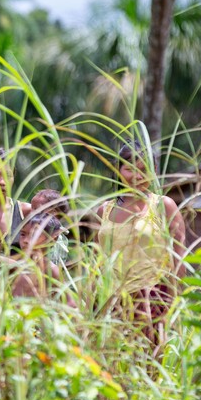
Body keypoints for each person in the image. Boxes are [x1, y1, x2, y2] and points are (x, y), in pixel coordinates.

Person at [96, 139, 186, 356]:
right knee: (114, 365)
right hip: (112, 300)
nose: (137, 176)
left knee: (150, 366)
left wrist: (173, 306)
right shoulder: (103, 211)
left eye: (144, 170)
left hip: (153, 299)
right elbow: (96, 260)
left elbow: (179, 257)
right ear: (117, 170)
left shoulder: (163, 206)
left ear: (154, 171)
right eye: (130, 169)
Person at [14, 213, 74, 305]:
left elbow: (70, 303)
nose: (25, 240)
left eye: (33, 235)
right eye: (22, 234)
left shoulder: (50, 269)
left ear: (52, 239)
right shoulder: (16, 264)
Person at [30, 188, 70, 268]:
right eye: (32, 208)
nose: (31, 213)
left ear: (52, 213)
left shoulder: (55, 236)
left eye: (36, 209)